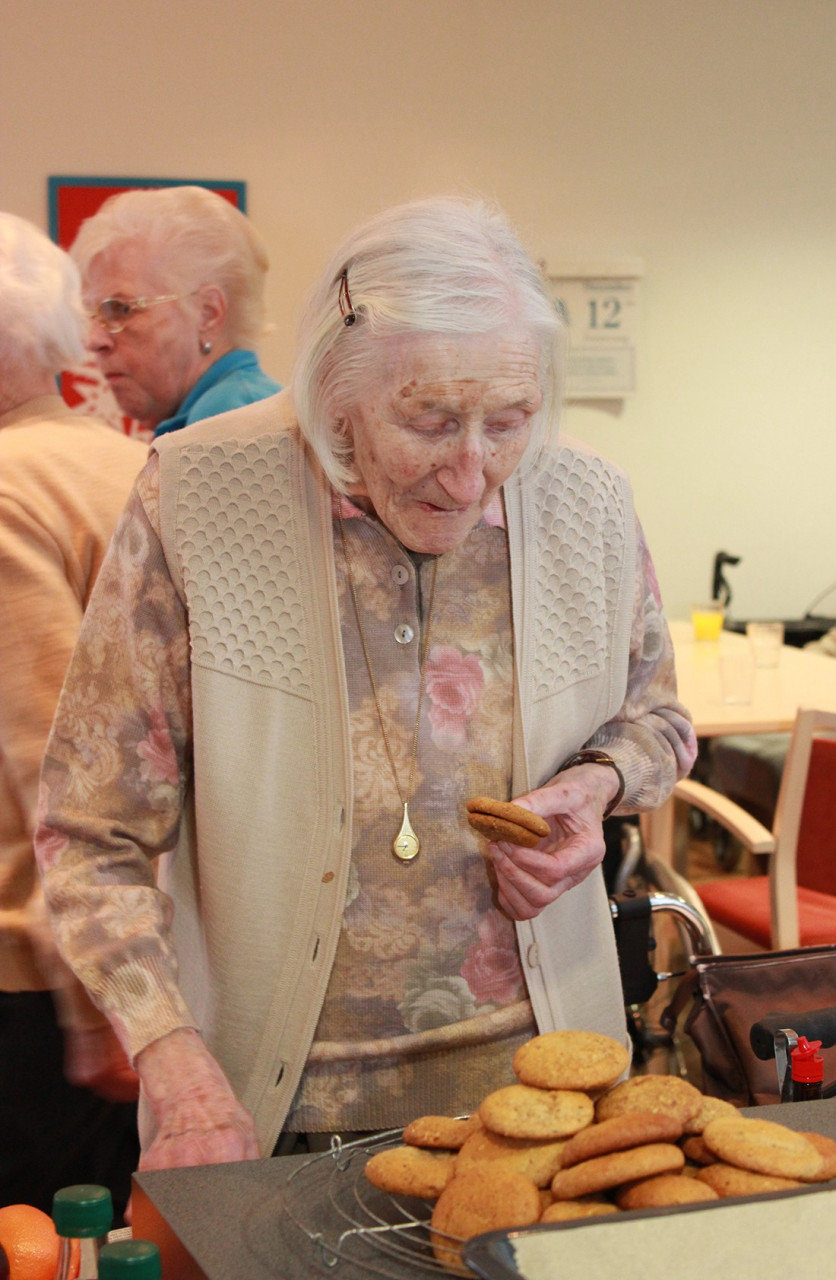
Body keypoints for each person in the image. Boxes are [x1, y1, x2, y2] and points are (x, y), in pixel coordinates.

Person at [36, 196, 696, 1178]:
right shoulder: (200, 493)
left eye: (508, 421)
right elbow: (90, 836)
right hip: (276, 1116)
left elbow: (659, 719)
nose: (471, 472)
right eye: (426, 419)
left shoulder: (585, 502)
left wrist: (598, 783)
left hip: (550, 1104)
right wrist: (168, 1050)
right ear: (333, 388)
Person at [0, 212, 147, 1216]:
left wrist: (92, 999)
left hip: (43, 978)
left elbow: (51, 756)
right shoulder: (123, 459)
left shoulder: (9, 486)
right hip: (149, 933)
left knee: (46, 1233)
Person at [71, 185, 280, 437]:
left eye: (121, 309)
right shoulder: (236, 408)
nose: (94, 340)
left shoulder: (223, 423)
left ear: (208, 314)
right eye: (92, 313)